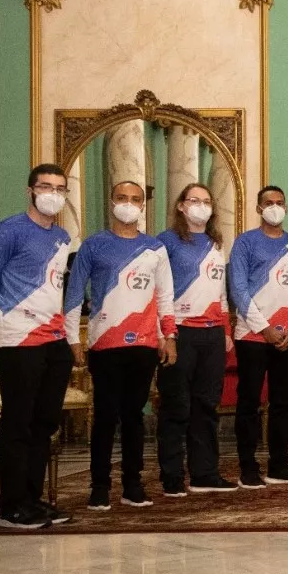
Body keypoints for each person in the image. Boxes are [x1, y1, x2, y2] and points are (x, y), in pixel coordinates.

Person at [0, 164, 74, 529]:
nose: (53, 194)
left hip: (53, 339)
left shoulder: (62, 237)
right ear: (30, 190)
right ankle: (11, 506)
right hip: (17, 338)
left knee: (44, 422)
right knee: (19, 420)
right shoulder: (8, 231)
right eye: (46, 186)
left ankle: (33, 498)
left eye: (60, 188)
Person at [65, 181, 177, 511]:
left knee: (134, 416)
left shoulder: (155, 248)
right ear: (111, 201)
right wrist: (73, 337)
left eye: (135, 199)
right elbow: (74, 293)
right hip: (104, 342)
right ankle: (99, 486)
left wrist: (168, 336)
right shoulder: (93, 245)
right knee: (105, 416)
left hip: (143, 344)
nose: (128, 204)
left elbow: (165, 297)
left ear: (143, 206)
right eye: (122, 198)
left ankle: (133, 484)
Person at [229, 186, 288, 488]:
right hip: (252, 336)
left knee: (283, 404)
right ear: (258, 208)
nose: (274, 207)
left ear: (286, 208)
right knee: (249, 402)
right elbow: (238, 289)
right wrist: (263, 328)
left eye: (279, 202)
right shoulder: (245, 243)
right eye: (268, 203)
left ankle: (279, 466)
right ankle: (248, 467)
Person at [155, 183, 237, 497]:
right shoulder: (166, 241)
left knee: (206, 405)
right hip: (180, 331)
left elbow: (221, 293)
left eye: (206, 201)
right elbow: (158, 291)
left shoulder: (217, 243)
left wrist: (227, 330)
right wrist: (165, 334)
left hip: (213, 334)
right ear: (180, 206)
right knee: (177, 406)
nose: (200, 206)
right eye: (193, 200)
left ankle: (205, 473)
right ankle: (172, 476)